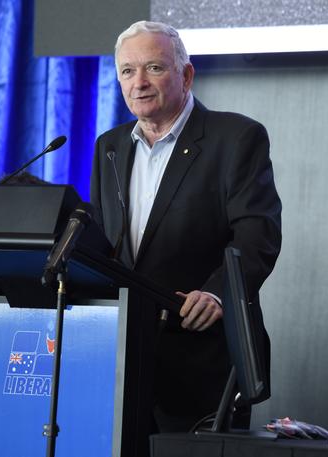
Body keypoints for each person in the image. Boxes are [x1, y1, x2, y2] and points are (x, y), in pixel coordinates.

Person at [90, 20, 282, 434]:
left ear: (186, 75)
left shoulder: (236, 138)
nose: (138, 82)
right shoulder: (109, 146)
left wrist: (217, 293)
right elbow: (104, 241)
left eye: (154, 68)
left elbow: (257, 234)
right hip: (122, 358)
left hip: (202, 359)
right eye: (127, 71)